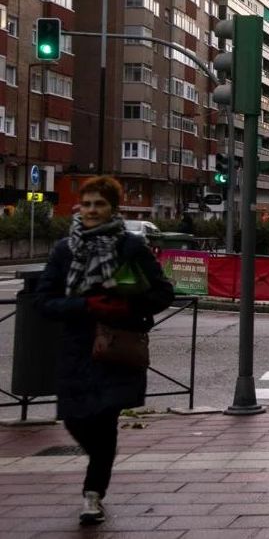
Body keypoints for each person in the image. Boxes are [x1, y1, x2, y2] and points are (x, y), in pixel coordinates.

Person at [35, 176, 174, 526]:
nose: (93, 210)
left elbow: (162, 293)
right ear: (79, 207)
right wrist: (85, 306)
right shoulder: (65, 249)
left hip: (116, 348)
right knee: (74, 417)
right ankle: (97, 472)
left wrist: (125, 306)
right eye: (87, 203)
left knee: (105, 418)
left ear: (114, 208)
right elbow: (44, 302)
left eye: (100, 204)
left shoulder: (131, 247)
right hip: (76, 350)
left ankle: (92, 494)